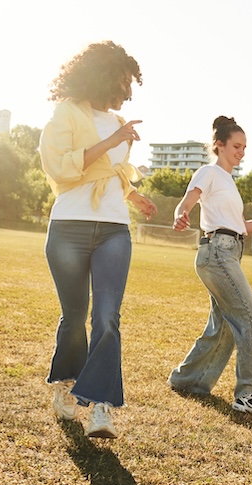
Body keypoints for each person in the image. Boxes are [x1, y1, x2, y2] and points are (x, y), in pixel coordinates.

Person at [39, 41, 157, 439]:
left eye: (129, 81)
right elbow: (62, 168)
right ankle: (66, 384)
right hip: (69, 226)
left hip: (113, 228)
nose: (126, 87)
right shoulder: (67, 114)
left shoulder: (119, 120)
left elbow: (112, 173)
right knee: (74, 317)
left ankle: (102, 408)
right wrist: (112, 141)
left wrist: (133, 193)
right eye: (121, 79)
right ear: (101, 75)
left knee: (107, 317)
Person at [168, 116, 252, 416]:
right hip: (217, 253)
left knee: (224, 324)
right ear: (219, 145)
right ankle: (248, 394)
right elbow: (188, 200)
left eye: (244, 147)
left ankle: (188, 380)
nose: (241, 152)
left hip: (229, 250)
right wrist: (181, 214)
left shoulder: (228, 181)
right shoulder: (209, 172)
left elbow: (238, 226)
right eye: (236, 146)